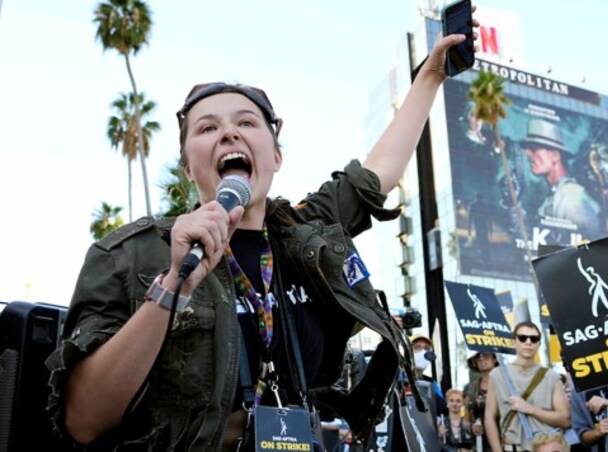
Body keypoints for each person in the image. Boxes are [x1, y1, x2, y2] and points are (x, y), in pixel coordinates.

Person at [44, 21, 479, 450]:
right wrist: (173, 286)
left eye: (248, 123)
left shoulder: (304, 233)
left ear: (275, 156)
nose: (229, 133)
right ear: (186, 166)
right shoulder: (132, 256)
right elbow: (83, 421)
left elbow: (376, 175)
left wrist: (431, 76)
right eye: (207, 128)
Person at [485, 321, 570, 451]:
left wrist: (530, 409)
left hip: (546, 447)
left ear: (539, 344)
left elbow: (565, 420)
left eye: (534, 339)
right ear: (513, 342)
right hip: (512, 447)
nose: (528, 342)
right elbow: (490, 417)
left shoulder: (551, 376)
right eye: (522, 338)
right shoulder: (498, 375)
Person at [520, 118, 602, 237]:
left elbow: (591, 241)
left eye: (533, 148)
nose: (527, 153)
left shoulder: (571, 197)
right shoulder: (557, 196)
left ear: (555, 155)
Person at [463, 351, 498, 450]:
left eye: (486, 355)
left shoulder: (505, 384)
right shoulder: (471, 388)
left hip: (503, 443)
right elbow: (465, 421)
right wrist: (471, 427)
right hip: (480, 445)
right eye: (478, 357)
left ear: (494, 359)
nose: (482, 359)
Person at [410, 334, 447, 417]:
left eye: (426, 348)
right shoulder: (396, 377)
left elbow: (442, 407)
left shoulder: (431, 382)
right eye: (417, 348)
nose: (423, 352)